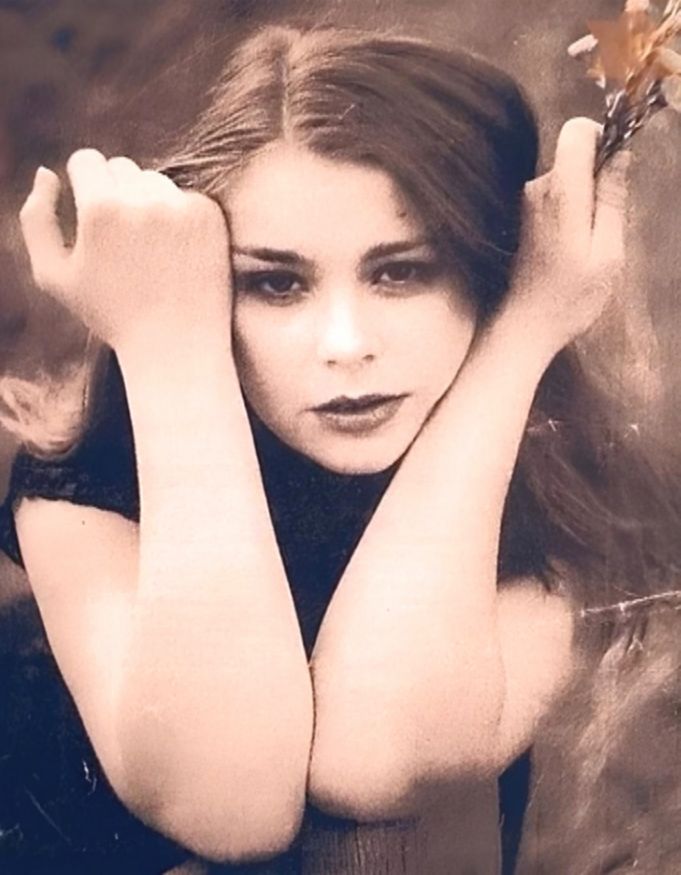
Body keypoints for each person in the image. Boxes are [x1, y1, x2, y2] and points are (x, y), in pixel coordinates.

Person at [1, 23, 679, 875]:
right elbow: (226, 804)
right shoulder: (87, 476)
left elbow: (378, 763)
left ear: (494, 270)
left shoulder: (548, 490)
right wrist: (170, 354)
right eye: (274, 283)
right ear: (201, 281)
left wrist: (524, 333)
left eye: (402, 271)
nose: (345, 343)